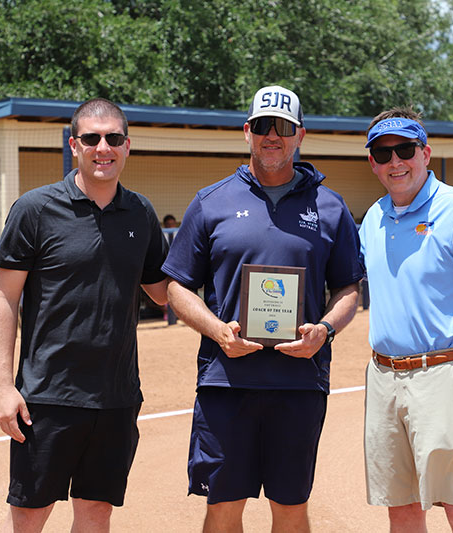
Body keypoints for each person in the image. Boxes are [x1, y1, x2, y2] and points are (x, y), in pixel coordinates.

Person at [163, 85, 363, 532]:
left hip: (299, 384)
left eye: (284, 127)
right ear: (247, 132)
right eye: (263, 126)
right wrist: (218, 331)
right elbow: (177, 286)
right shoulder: (211, 202)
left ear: (300, 135)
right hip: (226, 382)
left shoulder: (330, 207)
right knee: (223, 506)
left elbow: (349, 289)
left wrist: (324, 332)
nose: (273, 135)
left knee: (291, 508)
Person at [0, 98, 169, 532]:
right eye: (91, 138)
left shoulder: (141, 213)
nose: (102, 147)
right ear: (75, 145)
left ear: (128, 146)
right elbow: (3, 297)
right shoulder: (34, 209)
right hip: (46, 396)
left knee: (96, 511)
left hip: (115, 396)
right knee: (31, 513)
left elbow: (163, 292)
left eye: (113, 138)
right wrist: (2, 387)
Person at [358, 108, 453, 533]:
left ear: (425, 153)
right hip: (384, 376)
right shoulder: (373, 218)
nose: (395, 162)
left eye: (405, 150)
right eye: (383, 153)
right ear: (372, 162)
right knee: (401, 508)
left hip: (443, 372)